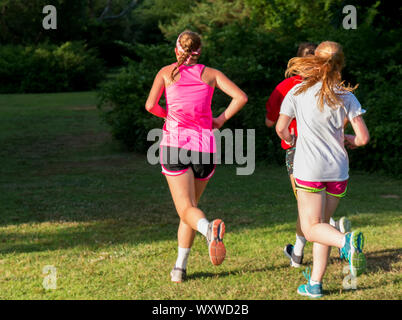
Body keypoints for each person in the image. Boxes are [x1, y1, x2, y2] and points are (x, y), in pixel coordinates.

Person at [145, 30, 248, 283]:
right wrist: (220, 120)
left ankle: (207, 229)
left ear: (176, 50)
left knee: (187, 210)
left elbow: (150, 106)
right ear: (198, 51)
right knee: (190, 209)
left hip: (175, 145)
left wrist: (167, 116)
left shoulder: (166, 73)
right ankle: (179, 268)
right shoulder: (211, 74)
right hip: (205, 148)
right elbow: (241, 97)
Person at [276, 41, 369, 298]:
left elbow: (280, 128)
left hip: (309, 169)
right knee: (322, 225)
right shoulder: (346, 95)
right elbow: (362, 138)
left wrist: (291, 139)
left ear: (316, 61)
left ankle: (346, 242)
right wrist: (349, 140)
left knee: (310, 228)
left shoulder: (297, 92)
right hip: (338, 171)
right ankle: (315, 284)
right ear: (341, 64)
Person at [265, 43, 351, 268]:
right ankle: (304, 261)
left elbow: (271, 122)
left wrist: (291, 133)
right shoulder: (336, 87)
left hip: (299, 149)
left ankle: (336, 240)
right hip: (334, 154)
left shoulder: (289, 87)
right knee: (312, 209)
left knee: (307, 207)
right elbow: (347, 121)